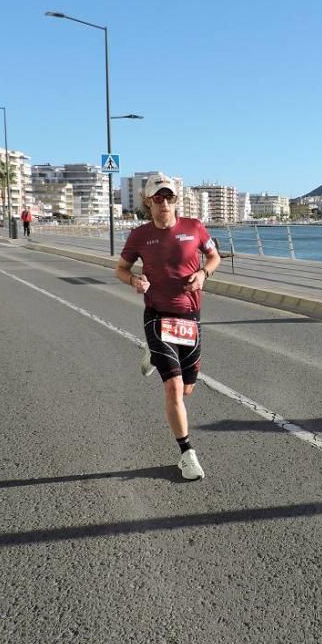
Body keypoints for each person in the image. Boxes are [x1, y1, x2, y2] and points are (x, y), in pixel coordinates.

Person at [115, 175, 221, 481]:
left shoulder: (194, 228)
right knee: (172, 386)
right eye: (158, 199)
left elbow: (213, 256)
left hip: (189, 317)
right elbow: (120, 270)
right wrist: (135, 280)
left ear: (177, 200)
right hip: (157, 316)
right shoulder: (139, 235)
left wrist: (203, 273)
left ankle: (153, 354)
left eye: (170, 198)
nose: (164, 204)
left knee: (187, 387)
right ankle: (187, 453)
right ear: (148, 202)